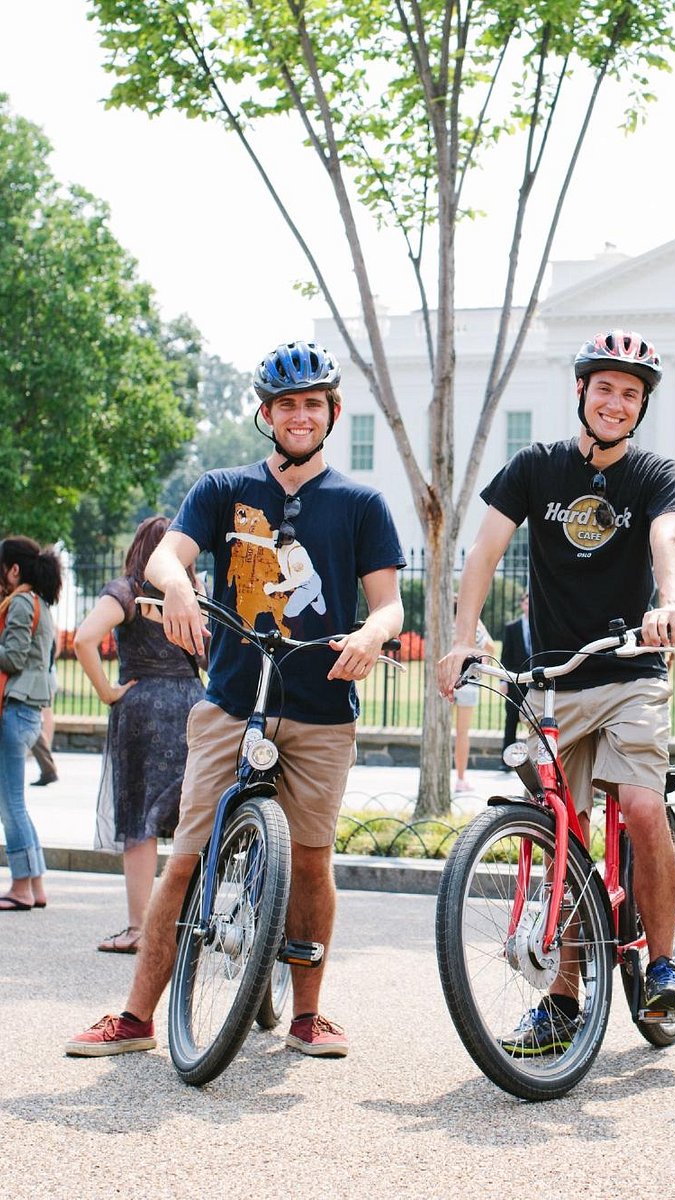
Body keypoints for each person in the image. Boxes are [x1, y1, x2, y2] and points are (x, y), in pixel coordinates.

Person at [66, 338, 405, 1060]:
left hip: (320, 705)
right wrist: (182, 586)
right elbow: (165, 555)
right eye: (287, 404)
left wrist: (372, 635)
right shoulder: (223, 489)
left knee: (312, 860)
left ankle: (310, 1015)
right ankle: (134, 1019)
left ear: (332, 411)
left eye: (313, 403)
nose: (300, 415)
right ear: (266, 413)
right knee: (187, 856)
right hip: (229, 699)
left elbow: (389, 605)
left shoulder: (360, 504)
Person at [438, 329, 675, 1054]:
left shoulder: (654, 475)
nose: (616, 403)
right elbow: (484, 549)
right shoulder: (536, 469)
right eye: (605, 388)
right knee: (561, 833)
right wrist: (464, 636)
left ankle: (664, 959)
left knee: (642, 806)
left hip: (628, 670)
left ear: (643, 405)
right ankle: (562, 999)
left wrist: (666, 603)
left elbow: (666, 539)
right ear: (580, 392)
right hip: (551, 679)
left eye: (631, 393)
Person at [73, 515, 206, 954]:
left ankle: (138, 929)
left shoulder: (126, 592)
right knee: (192, 818)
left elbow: (83, 640)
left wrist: (108, 692)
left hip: (142, 708)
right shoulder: (192, 596)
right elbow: (209, 655)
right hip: (190, 706)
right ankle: (187, 925)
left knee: (140, 823)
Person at [0, 536, 62, 911]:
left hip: (17, 709)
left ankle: (21, 885)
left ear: (14, 569)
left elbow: (13, 658)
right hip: (29, 710)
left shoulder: (22, 603)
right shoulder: (38, 603)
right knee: (15, 802)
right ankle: (35, 885)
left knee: (11, 805)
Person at [451, 598, 494, 793]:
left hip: (447, 678)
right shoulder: (474, 626)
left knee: (447, 732)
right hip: (467, 681)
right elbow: (491, 647)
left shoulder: (449, 625)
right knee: (462, 733)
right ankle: (460, 778)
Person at [498, 591, 531, 765]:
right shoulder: (512, 628)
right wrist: (503, 681)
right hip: (515, 681)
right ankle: (505, 760)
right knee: (511, 719)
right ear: (521, 605)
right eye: (526, 603)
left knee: (536, 722)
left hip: (535, 681)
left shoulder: (542, 625)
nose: (528, 606)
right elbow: (505, 656)